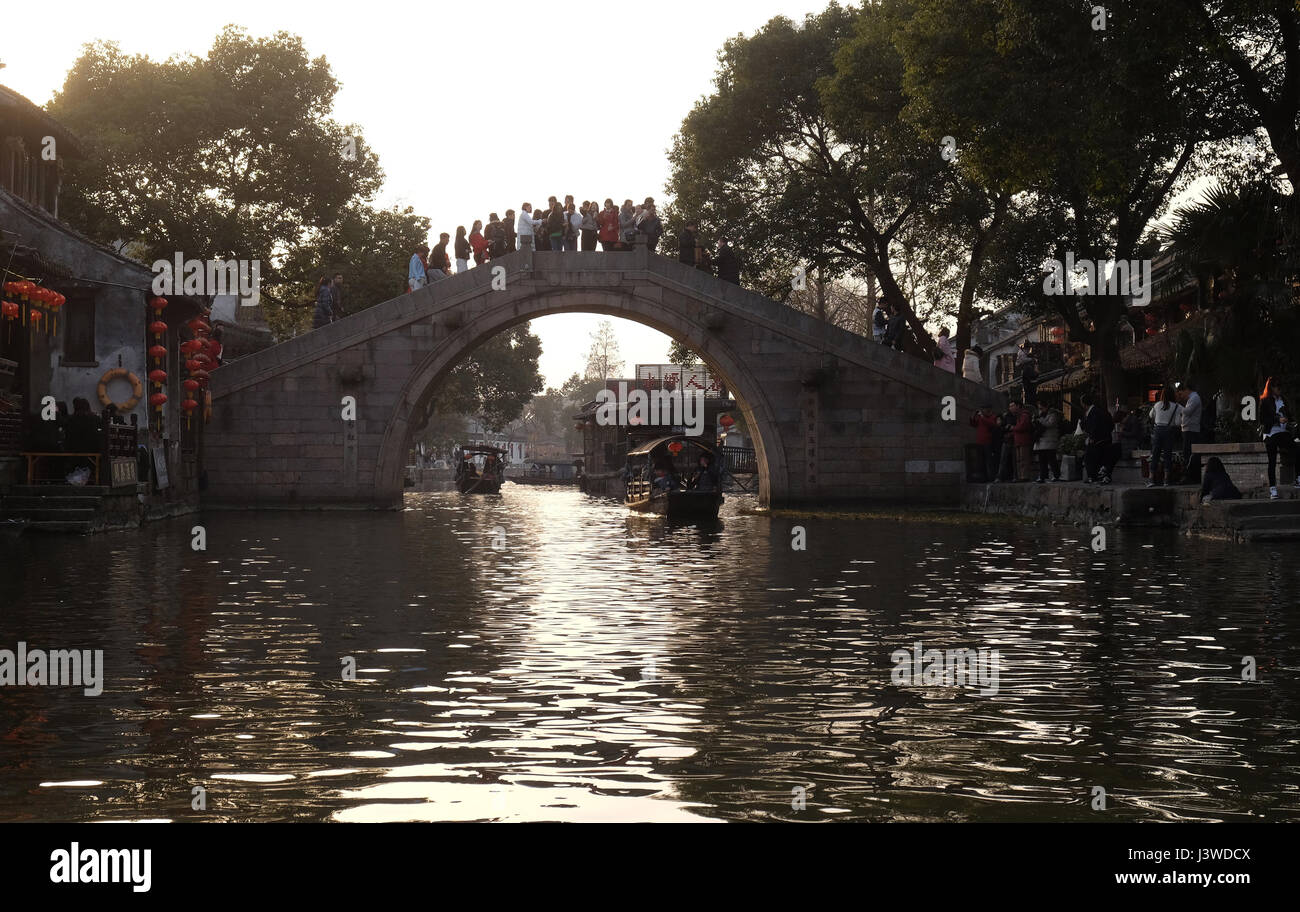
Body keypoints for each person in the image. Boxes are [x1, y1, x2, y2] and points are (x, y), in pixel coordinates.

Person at [1259, 377, 1300, 500]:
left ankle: (1298, 478)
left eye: (1280, 386)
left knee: (1297, 449)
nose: (1279, 389)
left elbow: (1290, 416)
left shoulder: (1283, 400)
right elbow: (1263, 420)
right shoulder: (1265, 401)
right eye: (1277, 386)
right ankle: (1273, 489)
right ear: (1271, 388)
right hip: (1271, 433)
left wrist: (1291, 422)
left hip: (1283, 432)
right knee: (1272, 460)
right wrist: (1277, 419)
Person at [1146, 384, 1181, 487]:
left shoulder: (1157, 405)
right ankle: (1166, 479)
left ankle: (1151, 479)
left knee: (1155, 455)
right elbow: (1179, 422)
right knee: (1167, 456)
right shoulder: (1176, 406)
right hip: (1169, 431)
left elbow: (1150, 415)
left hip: (1157, 431)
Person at [1080, 392, 1115, 484]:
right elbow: (1111, 424)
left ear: (1084, 403)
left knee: (1089, 458)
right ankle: (1103, 477)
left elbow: (1094, 426)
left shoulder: (1093, 412)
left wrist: (1092, 436)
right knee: (1103, 459)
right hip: (1106, 438)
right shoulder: (1102, 410)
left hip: (1097, 439)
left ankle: (1093, 477)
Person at [1176, 382, 1203, 484]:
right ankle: (1189, 475)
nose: (1182, 396)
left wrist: (1178, 407)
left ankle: (1190, 476)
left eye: (1181, 393)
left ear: (1186, 389)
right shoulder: (1191, 399)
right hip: (1188, 429)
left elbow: (1188, 411)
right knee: (1187, 453)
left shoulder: (1194, 398)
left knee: (1189, 454)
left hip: (1191, 430)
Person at [1032, 399, 1063, 482]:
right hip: (1041, 440)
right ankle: (1043, 476)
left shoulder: (1053, 414)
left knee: (1051, 459)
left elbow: (1050, 423)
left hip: (1050, 439)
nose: (1040, 410)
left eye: (1041, 408)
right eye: (1039, 408)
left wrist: (1040, 420)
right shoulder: (1039, 414)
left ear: (1046, 407)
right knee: (1042, 460)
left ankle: (1056, 475)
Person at [970, 406, 1000, 482]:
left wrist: (982, 417)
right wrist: (973, 416)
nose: (984, 411)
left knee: (989, 461)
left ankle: (990, 477)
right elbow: (973, 424)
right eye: (983, 409)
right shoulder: (980, 418)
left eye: (985, 409)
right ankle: (982, 478)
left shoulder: (992, 417)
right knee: (980, 461)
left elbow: (992, 424)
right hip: (979, 442)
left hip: (988, 442)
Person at [1009, 400, 1033, 482]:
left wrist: (1013, 428)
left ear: (1018, 406)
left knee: (1023, 459)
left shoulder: (1024, 415)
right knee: (1019, 460)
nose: (1010, 408)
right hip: (1018, 441)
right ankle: (1020, 476)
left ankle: (1024, 476)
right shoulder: (1018, 416)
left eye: (1012, 406)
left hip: (1024, 440)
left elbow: (1022, 426)